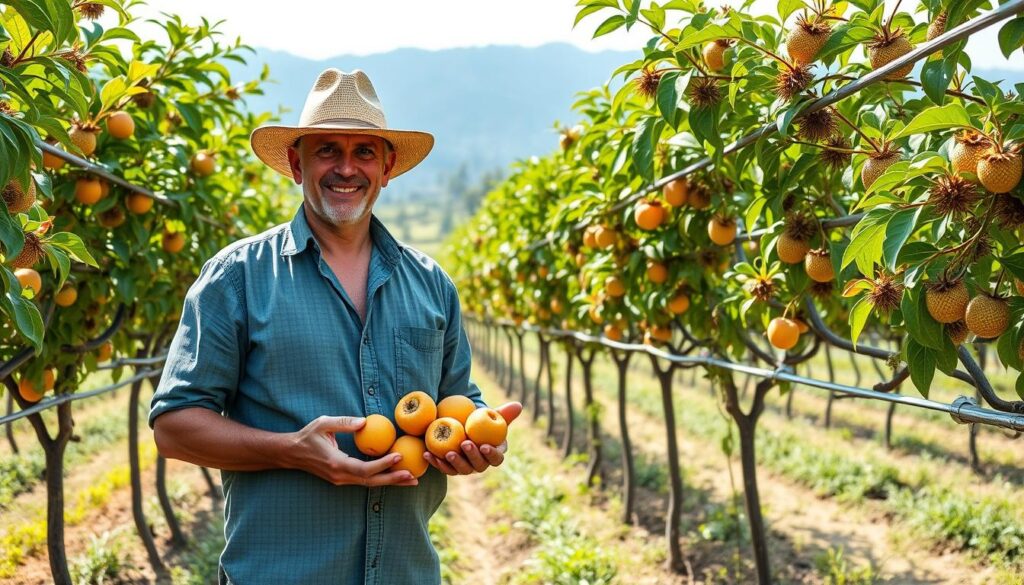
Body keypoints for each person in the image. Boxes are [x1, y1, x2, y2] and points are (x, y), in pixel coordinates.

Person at [149, 68, 521, 585]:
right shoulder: (239, 277)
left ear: (387, 167)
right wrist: (293, 452)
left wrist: (478, 442)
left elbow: (457, 402)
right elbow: (174, 426)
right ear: (295, 163)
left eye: (364, 152)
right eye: (327, 150)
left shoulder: (433, 285)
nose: (346, 168)